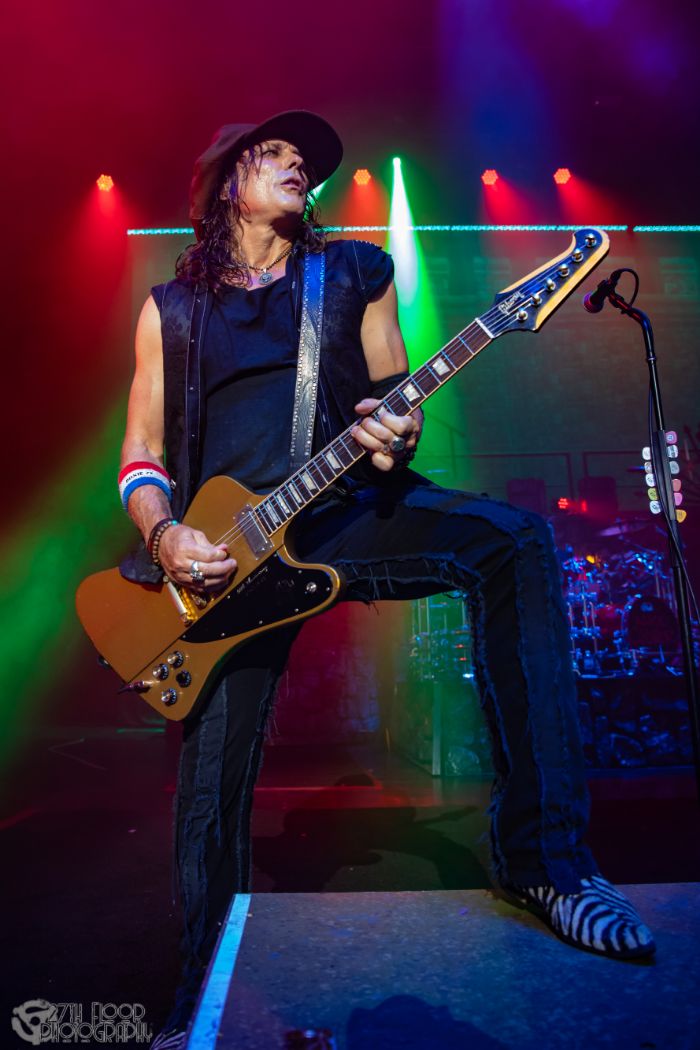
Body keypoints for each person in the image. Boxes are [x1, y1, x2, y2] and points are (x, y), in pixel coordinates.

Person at [118, 111, 654, 1049]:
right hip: (223, 565)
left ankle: (549, 865)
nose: (300, 167)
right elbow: (141, 453)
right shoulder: (172, 309)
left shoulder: (357, 271)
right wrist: (164, 536)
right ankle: (200, 994)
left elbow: (393, 402)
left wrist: (393, 433)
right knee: (209, 786)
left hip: (345, 512)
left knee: (514, 541)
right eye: (277, 153)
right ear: (229, 179)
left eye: (308, 161)